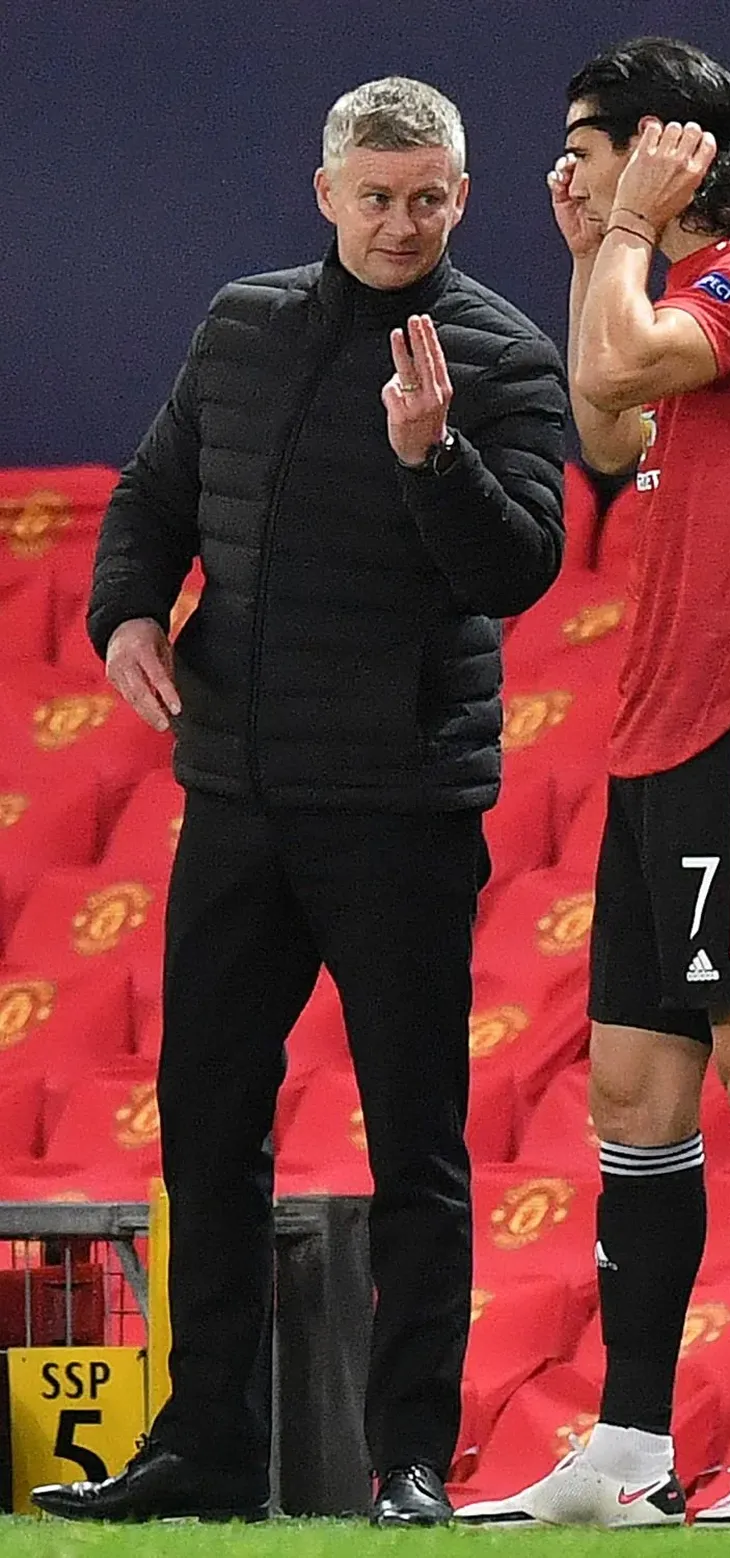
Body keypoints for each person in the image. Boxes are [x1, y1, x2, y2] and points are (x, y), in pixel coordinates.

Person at [31, 76, 566, 1529]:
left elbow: (517, 569)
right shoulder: (240, 325)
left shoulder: (508, 358)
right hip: (238, 800)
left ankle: (408, 1463)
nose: (400, 221)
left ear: (464, 200)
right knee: (205, 1121)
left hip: (401, 807)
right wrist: (128, 613)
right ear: (323, 192)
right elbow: (147, 498)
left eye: (427, 198)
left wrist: (430, 456)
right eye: (375, 194)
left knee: (420, 1146)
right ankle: (208, 1443)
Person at [457, 37, 730, 1530]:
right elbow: (608, 422)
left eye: (590, 142)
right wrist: (596, 247)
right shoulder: (676, 284)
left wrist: (624, 236)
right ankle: (631, 1447)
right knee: (632, 1091)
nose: (566, 162)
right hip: (655, 733)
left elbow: (622, 370)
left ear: (673, 147)